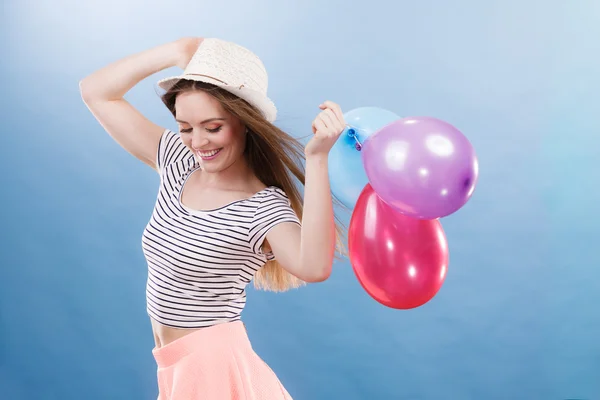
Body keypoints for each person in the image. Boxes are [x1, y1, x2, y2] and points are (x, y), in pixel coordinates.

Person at [79, 37, 347, 399]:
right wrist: (177, 52)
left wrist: (317, 160)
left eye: (213, 127)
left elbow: (313, 267)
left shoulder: (261, 207)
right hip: (175, 365)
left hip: (212, 368)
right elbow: (96, 92)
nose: (198, 142)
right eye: (185, 127)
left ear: (246, 123)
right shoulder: (178, 162)